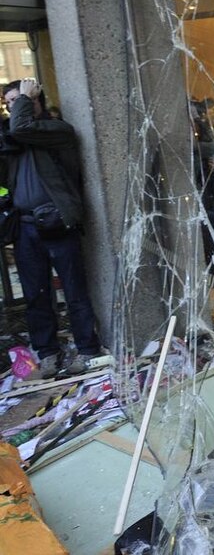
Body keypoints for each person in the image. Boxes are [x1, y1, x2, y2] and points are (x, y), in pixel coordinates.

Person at [0, 78, 102, 378]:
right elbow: (14, 133)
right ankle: (48, 353)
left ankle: (87, 350)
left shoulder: (57, 130)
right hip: (26, 226)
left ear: (35, 100)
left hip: (57, 222)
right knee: (36, 296)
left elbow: (23, 127)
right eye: (7, 104)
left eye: (17, 100)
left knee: (74, 291)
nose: (11, 108)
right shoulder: (14, 138)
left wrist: (24, 102)